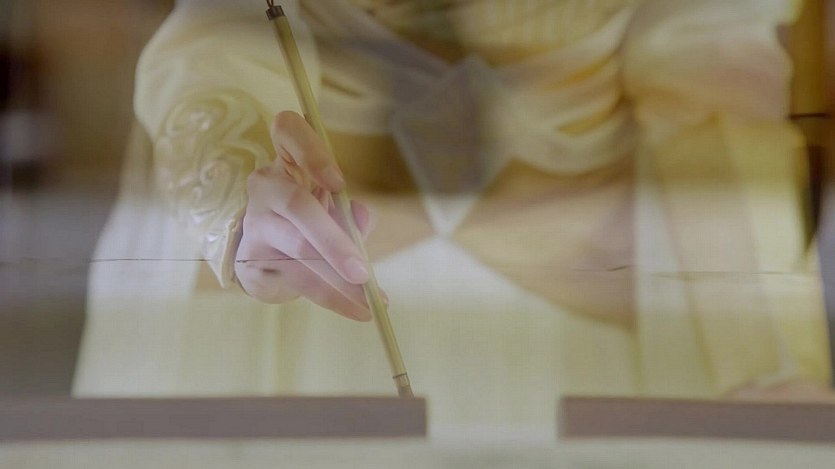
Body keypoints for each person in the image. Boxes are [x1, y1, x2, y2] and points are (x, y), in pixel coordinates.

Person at [74, 0, 832, 434]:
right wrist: (233, 193)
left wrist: (760, 349)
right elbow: (222, 29)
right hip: (309, 261)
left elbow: (707, 78)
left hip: (592, 271)